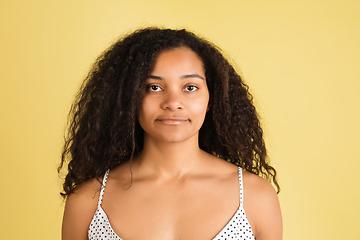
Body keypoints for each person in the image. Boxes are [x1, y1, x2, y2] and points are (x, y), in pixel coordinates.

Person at [59, 27, 282, 240]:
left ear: (211, 98)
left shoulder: (255, 197)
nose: (173, 103)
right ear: (129, 98)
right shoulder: (88, 201)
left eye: (190, 87)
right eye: (154, 87)